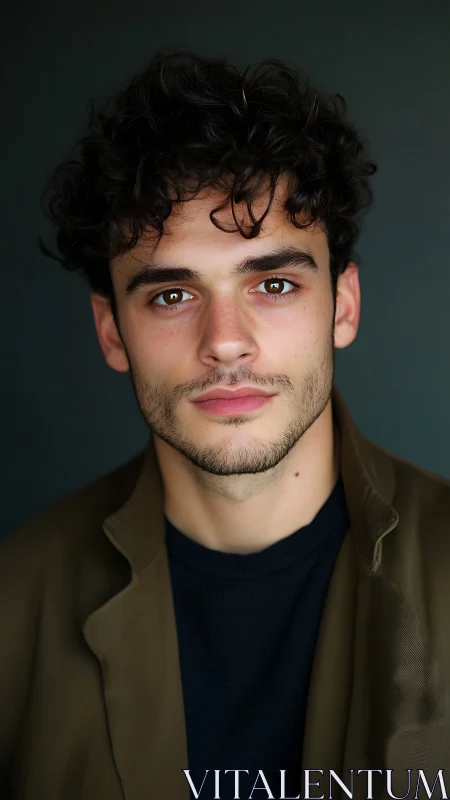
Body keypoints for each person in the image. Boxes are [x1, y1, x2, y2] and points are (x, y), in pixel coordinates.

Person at [1, 50, 450, 800]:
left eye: (273, 283)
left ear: (342, 306)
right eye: (171, 296)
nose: (226, 342)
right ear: (112, 332)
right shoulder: (14, 608)